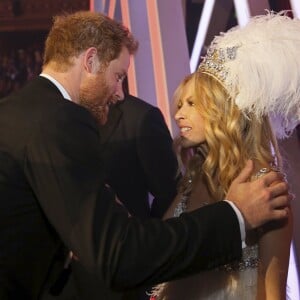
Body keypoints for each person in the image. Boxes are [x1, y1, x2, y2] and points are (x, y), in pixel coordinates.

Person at [0, 10, 290, 300]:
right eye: (118, 76)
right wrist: (236, 216)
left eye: (193, 102)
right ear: (90, 61)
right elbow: (119, 255)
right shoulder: (58, 120)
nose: (120, 93)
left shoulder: (15, 112)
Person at [150, 12, 300, 300]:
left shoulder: (265, 183)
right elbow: (161, 249)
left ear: (223, 111)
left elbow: (273, 291)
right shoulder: (193, 178)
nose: (178, 114)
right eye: (179, 104)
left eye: (192, 103)